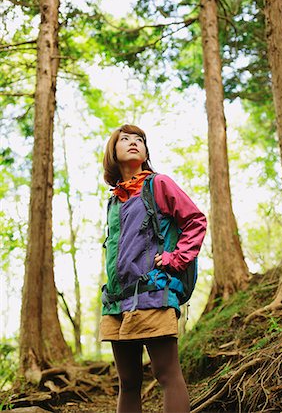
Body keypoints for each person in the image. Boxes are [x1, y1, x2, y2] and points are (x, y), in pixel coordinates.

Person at [100, 124, 207, 413]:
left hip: (154, 292)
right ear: (113, 151)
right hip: (117, 302)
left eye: (140, 140)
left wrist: (177, 258)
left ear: (146, 152)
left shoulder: (158, 184)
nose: (134, 142)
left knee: (166, 374)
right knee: (129, 381)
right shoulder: (114, 200)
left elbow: (195, 220)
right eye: (125, 139)